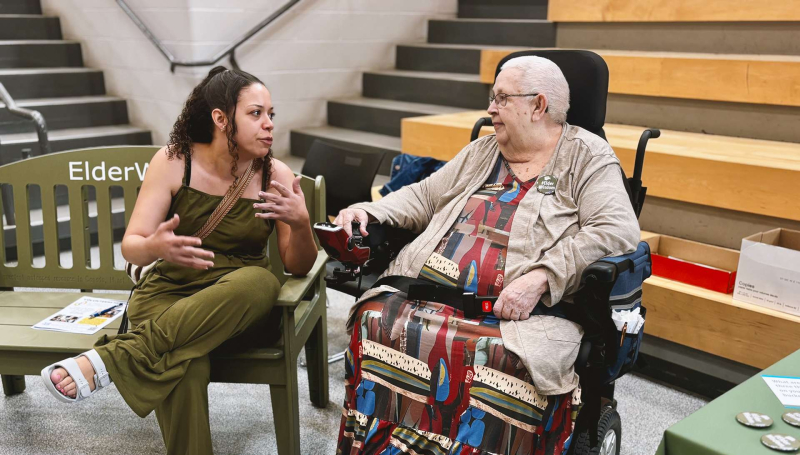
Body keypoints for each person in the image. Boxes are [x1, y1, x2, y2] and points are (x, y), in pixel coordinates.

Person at [334, 56, 639, 454]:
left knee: (503, 359)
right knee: (374, 320)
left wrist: (542, 277)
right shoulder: (483, 151)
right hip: (430, 293)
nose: (490, 109)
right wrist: (369, 210)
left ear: (538, 105)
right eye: (491, 98)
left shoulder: (588, 157)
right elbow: (424, 195)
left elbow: (617, 230)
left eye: (501, 99)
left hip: (521, 314)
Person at [40, 66, 318, 455]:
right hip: (168, 295)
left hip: (235, 304)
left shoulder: (275, 175)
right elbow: (132, 245)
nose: (269, 124)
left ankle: (111, 359)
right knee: (184, 366)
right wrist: (156, 246)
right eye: (256, 114)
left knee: (261, 281)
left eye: (272, 114)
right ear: (221, 119)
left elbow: (299, 266)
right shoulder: (174, 161)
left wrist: (301, 223)